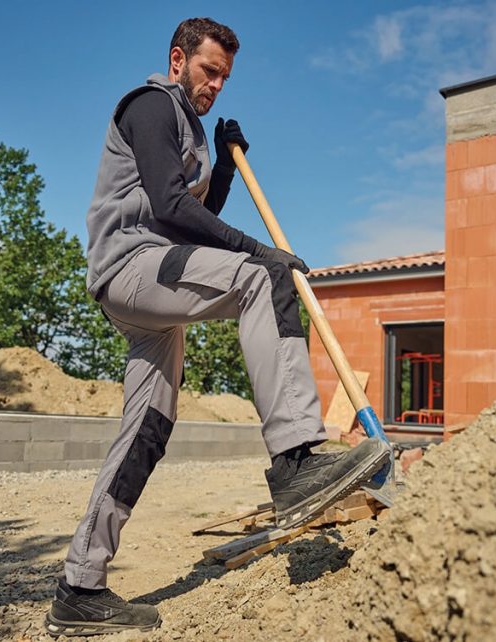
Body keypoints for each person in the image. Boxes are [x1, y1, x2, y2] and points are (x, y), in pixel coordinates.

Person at [45, 17, 390, 637]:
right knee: (264, 278)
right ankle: (295, 459)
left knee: (148, 428)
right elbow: (170, 209)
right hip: (132, 265)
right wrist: (262, 253)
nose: (216, 85)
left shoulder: (195, 131)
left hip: (159, 271)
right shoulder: (150, 106)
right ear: (178, 59)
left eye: (225, 78)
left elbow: (194, 218)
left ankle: (80, 586)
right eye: (209, 71)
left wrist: (226, 165)